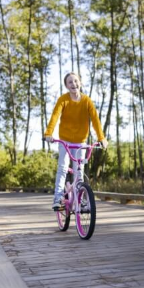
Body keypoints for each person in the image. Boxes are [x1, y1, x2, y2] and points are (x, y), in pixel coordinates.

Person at [44, 72, 108, 210]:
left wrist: (101, 138)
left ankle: (80, 200)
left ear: (80, 82)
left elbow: (95, 120)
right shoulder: (63, 99)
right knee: (62, 168)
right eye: (70, 82)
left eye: (75, 81)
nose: (73, 84)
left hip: (80, 142)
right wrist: (49, 133)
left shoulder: (87, 101)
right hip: (65, 141)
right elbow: (55, 116)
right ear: (67, 86)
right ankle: (58, 198)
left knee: (79, 171)